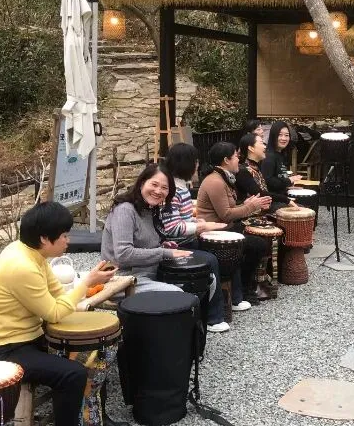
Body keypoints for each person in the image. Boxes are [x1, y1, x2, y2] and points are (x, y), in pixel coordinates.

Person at [0, 202, 117, 426]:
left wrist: (87, 284)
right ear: (44, 238)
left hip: (27, 339)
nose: (68, 240)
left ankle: (94, 418)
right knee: (72, 374)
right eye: (64, 236)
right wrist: (87, 283)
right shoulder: (22, 266)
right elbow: (54, 312)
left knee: (91, 349)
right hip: (3, 350)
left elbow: (58, 293)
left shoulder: (30, 253)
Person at [160, 143, 231, 333]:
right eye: (195, 161)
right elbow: (172, 228)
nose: (198, 165)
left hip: (187, 241)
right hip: (176, 246)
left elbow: (180, 219)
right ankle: (213, 318)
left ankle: (222, 304)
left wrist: (194, 221)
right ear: (186, 163)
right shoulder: (171, 190)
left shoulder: (181, 187)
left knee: (216, 251)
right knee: (211, 260)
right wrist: (202, 226)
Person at [196, 142, 272, 302]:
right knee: (258, 245)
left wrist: (246, 204)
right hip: (214, 235)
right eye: (236, 156)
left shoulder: (222, 178)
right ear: (226, 160)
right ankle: (243, 289)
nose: (239, 159)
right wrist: (250, 207)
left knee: (260, 240)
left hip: (225, 229)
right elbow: (226, 215)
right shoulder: (215, 181)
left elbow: (228, 210)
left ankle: (246, 286)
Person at [101, 163, 193, 293]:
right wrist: (163, 253)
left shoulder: (151, 209)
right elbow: (123, 254)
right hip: (124, 279)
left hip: (148, 272)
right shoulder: (125, 210)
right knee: (177, 293)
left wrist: (161, 245)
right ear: (142, 183)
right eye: (154, 184)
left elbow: (142, 241)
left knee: (204, 281)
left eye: (164, 188)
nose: (158, 191)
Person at [261, 121, 302, 198]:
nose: (284, 138)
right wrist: (289, 180)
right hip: (273, 200)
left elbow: (279, 179)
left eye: (286, 135)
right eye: (280, 135)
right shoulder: (269, 157)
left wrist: (288, 188)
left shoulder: (281, 154)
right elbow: (268, 181)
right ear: (273, 136)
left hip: (282, 196)